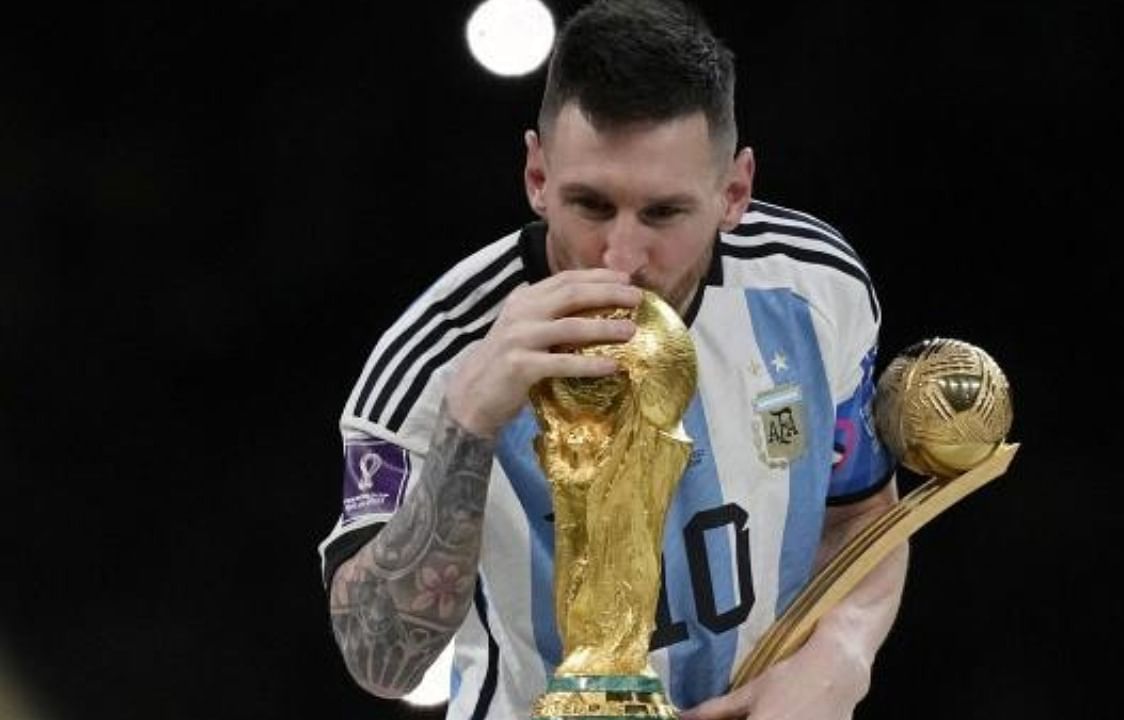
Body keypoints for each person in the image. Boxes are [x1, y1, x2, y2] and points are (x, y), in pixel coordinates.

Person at [318, 1, 907, 717]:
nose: (621, 257)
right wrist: (467, 426)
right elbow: (381, 660)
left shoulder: (814, 287)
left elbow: (859, 516)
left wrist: (842, 654)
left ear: (734, 192)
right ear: (537, 176)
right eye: (591, 205)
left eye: (663, 213)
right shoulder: (435, 362)